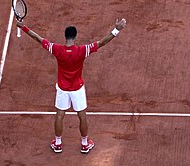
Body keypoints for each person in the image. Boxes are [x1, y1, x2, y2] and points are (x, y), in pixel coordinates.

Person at [16, 18, 127, 154]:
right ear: (75, 37)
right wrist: (117, 29)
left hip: (63, 89)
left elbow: (38, 39)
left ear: (65, 37)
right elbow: (102, 42)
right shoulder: (82, 51)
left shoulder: (57, 50)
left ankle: (57, 143)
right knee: (82, 116)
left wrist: (23, 27)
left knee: (59, 115)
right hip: (77, 89)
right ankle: (85, 144)